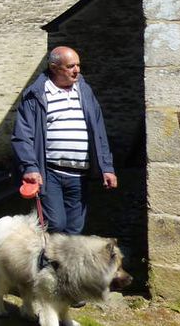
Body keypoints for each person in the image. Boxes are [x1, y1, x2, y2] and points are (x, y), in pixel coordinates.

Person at [11, 46, 117, 235]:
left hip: (79, 175)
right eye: (70, 66)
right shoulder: (35, 95)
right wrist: (30, 167)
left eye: (78, 65)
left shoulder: (85, 92)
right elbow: (22, 134)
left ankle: (64, 264)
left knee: (75, 228)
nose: (77, 70)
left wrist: (107, 167)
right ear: (54, 67)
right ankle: (45, 263)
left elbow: (99, 131)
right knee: (55, 225)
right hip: (50, 173)